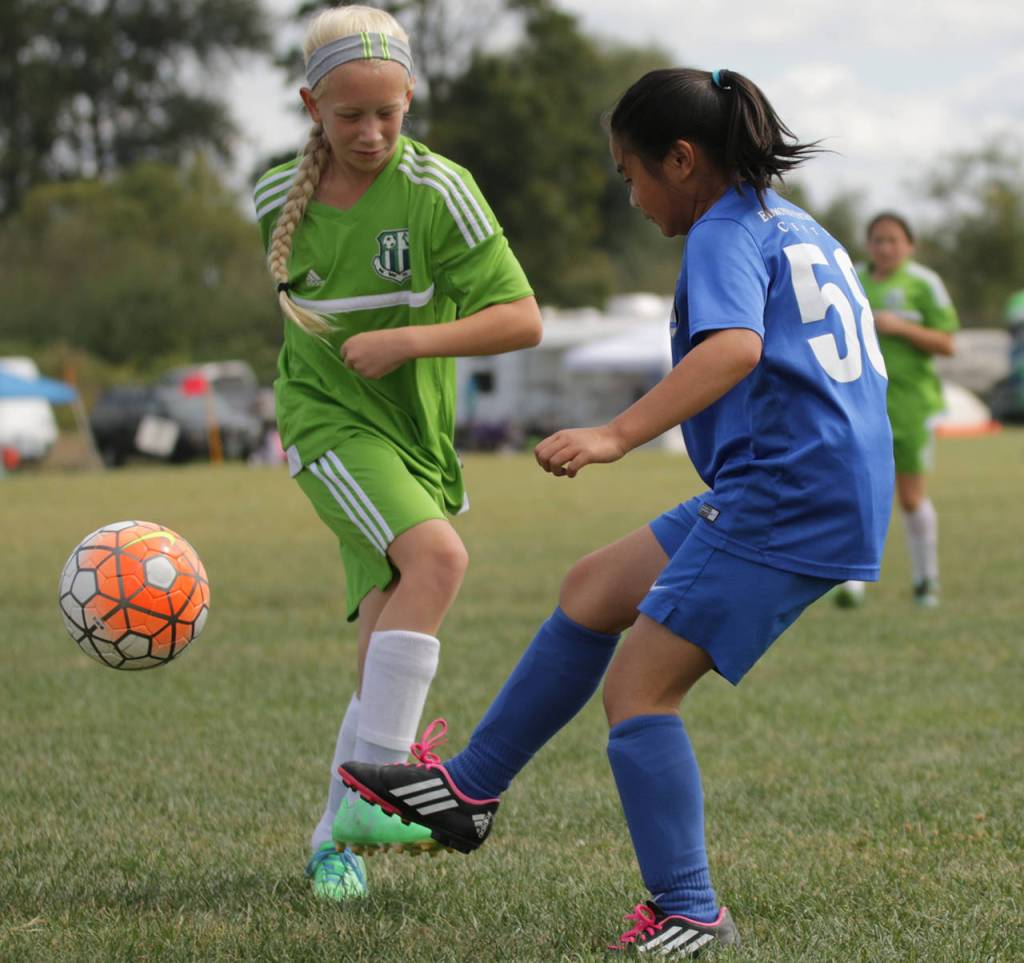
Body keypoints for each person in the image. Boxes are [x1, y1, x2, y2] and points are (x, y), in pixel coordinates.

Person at [338, 67, 894, 954]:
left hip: (788, 494)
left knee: (639, 689)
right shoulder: (791, 223)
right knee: (594, 587)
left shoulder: (720, 231)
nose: (631, 196)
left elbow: (735, 349)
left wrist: (614, 433)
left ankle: (690, 909)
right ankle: (471, 789)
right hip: (809, 481)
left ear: (682, 159)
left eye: (630, 173)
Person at [251, 5, 541, 901]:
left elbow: (522, 318)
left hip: (415, 438)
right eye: (350, 116)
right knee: (439, 561)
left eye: (388, 111)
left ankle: (330, 839)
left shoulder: (441, 190)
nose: (372, 132)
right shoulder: (273, 197)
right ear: (312, 108)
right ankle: (380, 797)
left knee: (382, 639)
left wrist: (410, 341)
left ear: (410, 96)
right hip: (328, 426)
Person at [833, 213, 957, 609]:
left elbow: (948, 343)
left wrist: (901, 328)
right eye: (878, 240)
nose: (885, 248)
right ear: (868, 245)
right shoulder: (851, 278)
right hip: (862, 403)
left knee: (909, 497)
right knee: (858, 491)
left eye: (893, 240)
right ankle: (853, 581)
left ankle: (926, 580)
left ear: (909, 245)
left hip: (911, 406)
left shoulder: (924, 283)